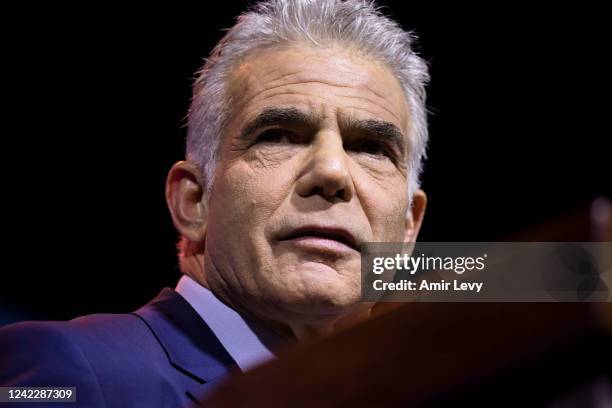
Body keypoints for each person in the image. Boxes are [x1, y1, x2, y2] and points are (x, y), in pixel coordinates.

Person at [0, 0, 429, 406]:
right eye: (277, 135)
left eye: (372, 148)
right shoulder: (72, 371)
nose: (332, 173)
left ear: (408, 229)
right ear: (193, 201)